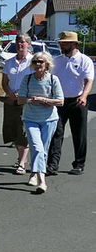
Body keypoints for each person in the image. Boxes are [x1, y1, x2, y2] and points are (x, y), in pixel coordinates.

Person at [46, 31, 94, 176]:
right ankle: (52, 165)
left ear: (73, 44)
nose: (61, 45)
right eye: (60, 43)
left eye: (64, 43)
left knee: (79, 133)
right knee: (56, 133)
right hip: (59, 101)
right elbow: (50, 80)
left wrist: (84, 96)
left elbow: (89, 81)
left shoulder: (84, 60)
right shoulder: (57, 61)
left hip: (78, 100)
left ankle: (79, 164)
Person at [18, 52, 64, 193]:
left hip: (49, 119)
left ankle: (34, 174)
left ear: (47, 64)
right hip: (30, 118)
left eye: (41, 62)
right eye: (36, 61)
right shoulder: (27, 79)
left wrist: (45, 100)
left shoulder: (53, 79)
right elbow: (20, 100)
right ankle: (42, 181)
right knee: (37, 147)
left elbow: (60, 101)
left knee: (42, 149)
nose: (38, 64)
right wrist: (32, 100)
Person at [0, 34, 32, 174]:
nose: (20, 45)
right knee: (13, 131)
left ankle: (22, 163)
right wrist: (10, 93)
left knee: (23, 131)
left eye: (23, 42)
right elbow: (4, 82)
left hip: (26, 101)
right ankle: (20, 159)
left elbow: (37, 80)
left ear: (28, 45)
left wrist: (24, 94)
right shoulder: (9, 62)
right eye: (18, 42)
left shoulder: (33, 61)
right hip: (11, 101)